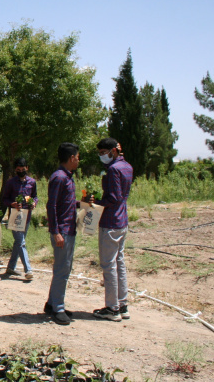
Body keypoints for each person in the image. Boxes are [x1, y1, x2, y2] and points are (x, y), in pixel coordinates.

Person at [91, 137, 133, 322]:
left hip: (110, 222)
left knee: (109, 265)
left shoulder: (114, 169)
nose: (102, 157)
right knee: (120, 263)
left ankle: (112, 308)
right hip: (122, 220)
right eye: (100, 153)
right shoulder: (127, 167)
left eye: (103, 153)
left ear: (113, 151)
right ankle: (122, 304)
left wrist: (95, 203)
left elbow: (113, 198)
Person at [46, 143, 81, 325]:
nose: (78, 160)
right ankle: (57, 308)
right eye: (77, 157)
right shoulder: (59, 177)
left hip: (69, 229)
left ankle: (52, 303)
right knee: (62, 270)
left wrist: (80, 204)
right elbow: (51, 206)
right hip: (63, 232)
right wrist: (56, 232)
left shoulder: (67, 177)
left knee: (62, 269)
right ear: (71, 158)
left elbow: (65, 203)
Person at [0, 157, 38, 280]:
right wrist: (12, 204)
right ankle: (28, 270)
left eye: (23, 169)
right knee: (21, 242)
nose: (21, 171)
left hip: (26, 216)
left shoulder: (32, 182)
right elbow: (5, 199)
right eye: (18, 169)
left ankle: (11, 267)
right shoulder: (11, 183)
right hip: (15, 216)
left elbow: (35, 196)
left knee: (18, 242)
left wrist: (34, 203)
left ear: (27, 168)